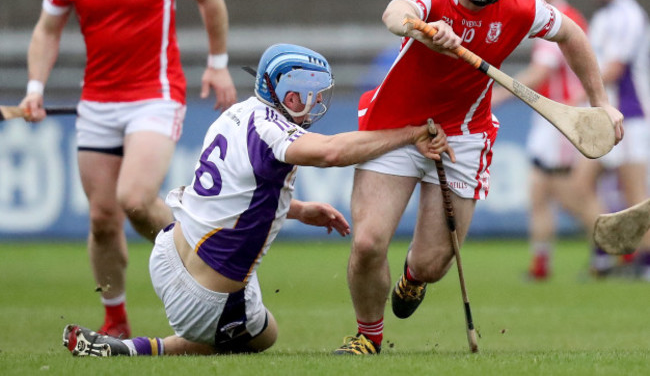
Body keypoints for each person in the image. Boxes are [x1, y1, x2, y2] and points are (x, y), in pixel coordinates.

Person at [334, 0, 624, 355]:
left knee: (433, 264)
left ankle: (413, 279)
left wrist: (600, 102)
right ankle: (367, 336)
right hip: (393, 124)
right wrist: (424, 29)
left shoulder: (521, 5)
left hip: (464, 133)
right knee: (369, 241)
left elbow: (571, 34)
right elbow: (395, 13)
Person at [61, 43, 452, 356]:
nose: (316, 104)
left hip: (166, 255)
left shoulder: (238, 112)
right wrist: (409, 134)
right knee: (264, 335)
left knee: (235, 306)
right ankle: (137, 350)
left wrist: (295, 211)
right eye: (309, 95)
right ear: (288, 93)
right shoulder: (273, 132)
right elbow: (332, 152)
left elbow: (231, 191)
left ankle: (131, 346)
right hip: (204, 298)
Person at [19, 0, 236, 339]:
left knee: (135, 199)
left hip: (155, 96)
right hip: (96, 102)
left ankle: (212, 272)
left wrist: (217, 63)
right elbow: (47, 30)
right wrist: (35, 89)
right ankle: (115, 318)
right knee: (101, 220)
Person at [491, 0, 593, 280]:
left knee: (572, 196)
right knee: (538, 193)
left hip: (561, 119)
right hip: (551, 120)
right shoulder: (560, 19)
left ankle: (617, 252)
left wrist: (495, 96)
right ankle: (541, 265)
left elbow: (540, 73)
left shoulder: (559, 21)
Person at [571, 0, 650, 279]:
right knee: (577, 187)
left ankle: (643, 264)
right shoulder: (603, 17)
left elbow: (615, 68)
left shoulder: (629, 15)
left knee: (635, 196)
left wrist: (579, 97)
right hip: (607, 118)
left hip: (629, 116)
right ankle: (608, 250)